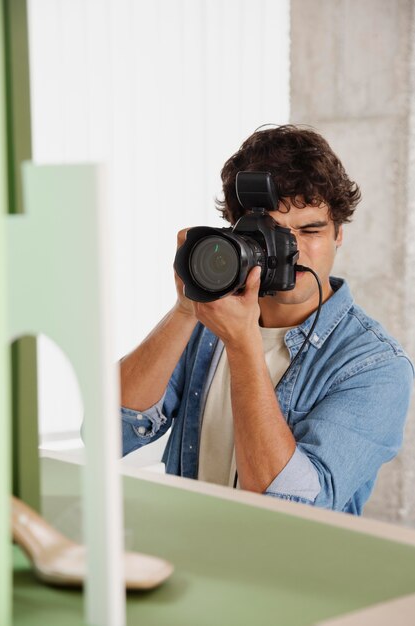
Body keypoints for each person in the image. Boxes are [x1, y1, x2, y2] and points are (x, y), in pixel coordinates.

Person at [120, 125, 414, 515]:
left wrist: (243, 344)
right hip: (191, 556)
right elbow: (110, 433)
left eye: (310, 230)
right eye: (272, 234)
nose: (292, 251)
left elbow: (289, 505)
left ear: (339, 234)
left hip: (288, 574)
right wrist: (186, 308)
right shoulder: (206, 323)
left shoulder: (374, 366)